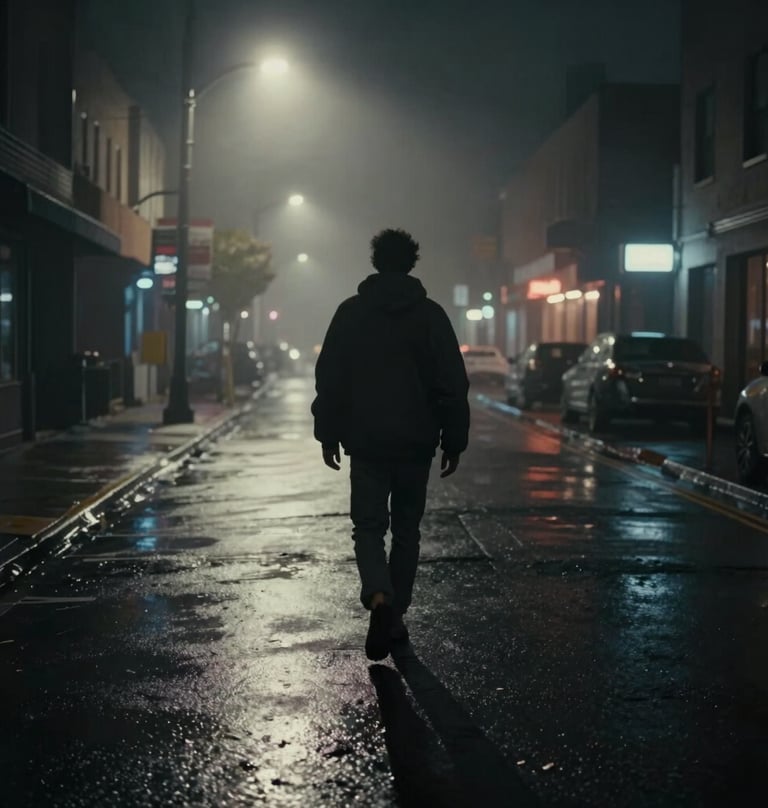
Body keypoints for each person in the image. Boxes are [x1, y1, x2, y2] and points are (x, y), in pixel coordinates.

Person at [312, 228, 470, 660]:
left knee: (367, 527)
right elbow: (452, 383)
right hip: (415, 444)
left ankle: (378, 597)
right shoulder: (432, 316)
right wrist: (453, 439)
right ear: (411, 263)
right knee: (406, 531)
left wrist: (327, 432)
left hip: (365, 441)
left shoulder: (350, 313)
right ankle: (395, 614)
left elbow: (330, 379)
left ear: (376, 262)